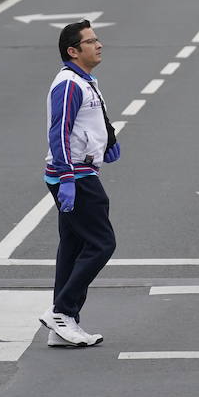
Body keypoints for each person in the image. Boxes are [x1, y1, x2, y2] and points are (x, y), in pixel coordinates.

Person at [41, 20, 120, 348]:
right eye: (90, 41)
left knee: (73, 245)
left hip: (79, 171)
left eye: (97, 39)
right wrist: (68, 179)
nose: (98, 44)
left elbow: (93, 117)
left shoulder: (85, 81)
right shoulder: (69, 84)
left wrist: (107, 141)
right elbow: (58, 131)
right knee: (102, 244)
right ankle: (62, 311)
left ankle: (64, 323)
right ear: (73, 51)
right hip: (75, 175)